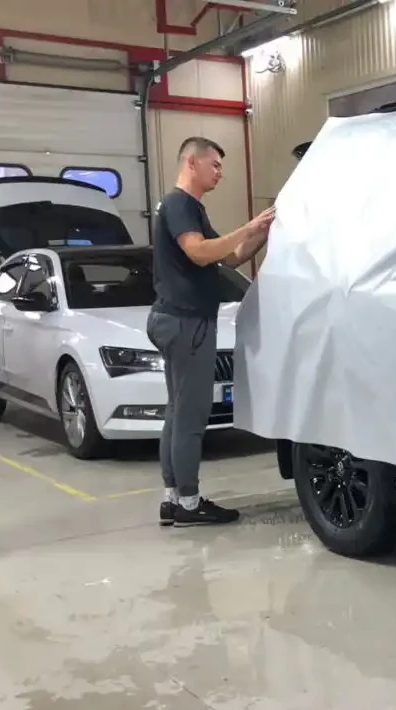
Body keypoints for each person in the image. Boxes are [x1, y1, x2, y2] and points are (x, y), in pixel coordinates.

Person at [148, 136, 275, 527]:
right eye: (215, 164)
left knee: (177, 413)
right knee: (190, 418)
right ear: (192, 162)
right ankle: (189, 504)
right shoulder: (179, 205)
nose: (220, 172)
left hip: (177, 320)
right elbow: (199, 252)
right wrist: (247, 226)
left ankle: (173, 499)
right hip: (187, 323)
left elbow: (229, 257)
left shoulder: (190, 209)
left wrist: (264, 231)